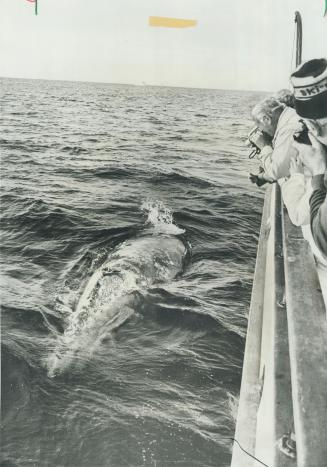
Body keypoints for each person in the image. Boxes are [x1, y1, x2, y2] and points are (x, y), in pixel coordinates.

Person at [250, 96, 301, 184]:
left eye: (260, 128)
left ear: (266, 119)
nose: (263, 132)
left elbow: (276, 171)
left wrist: (264, 146)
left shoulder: (288, 128)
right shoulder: (292, 116)